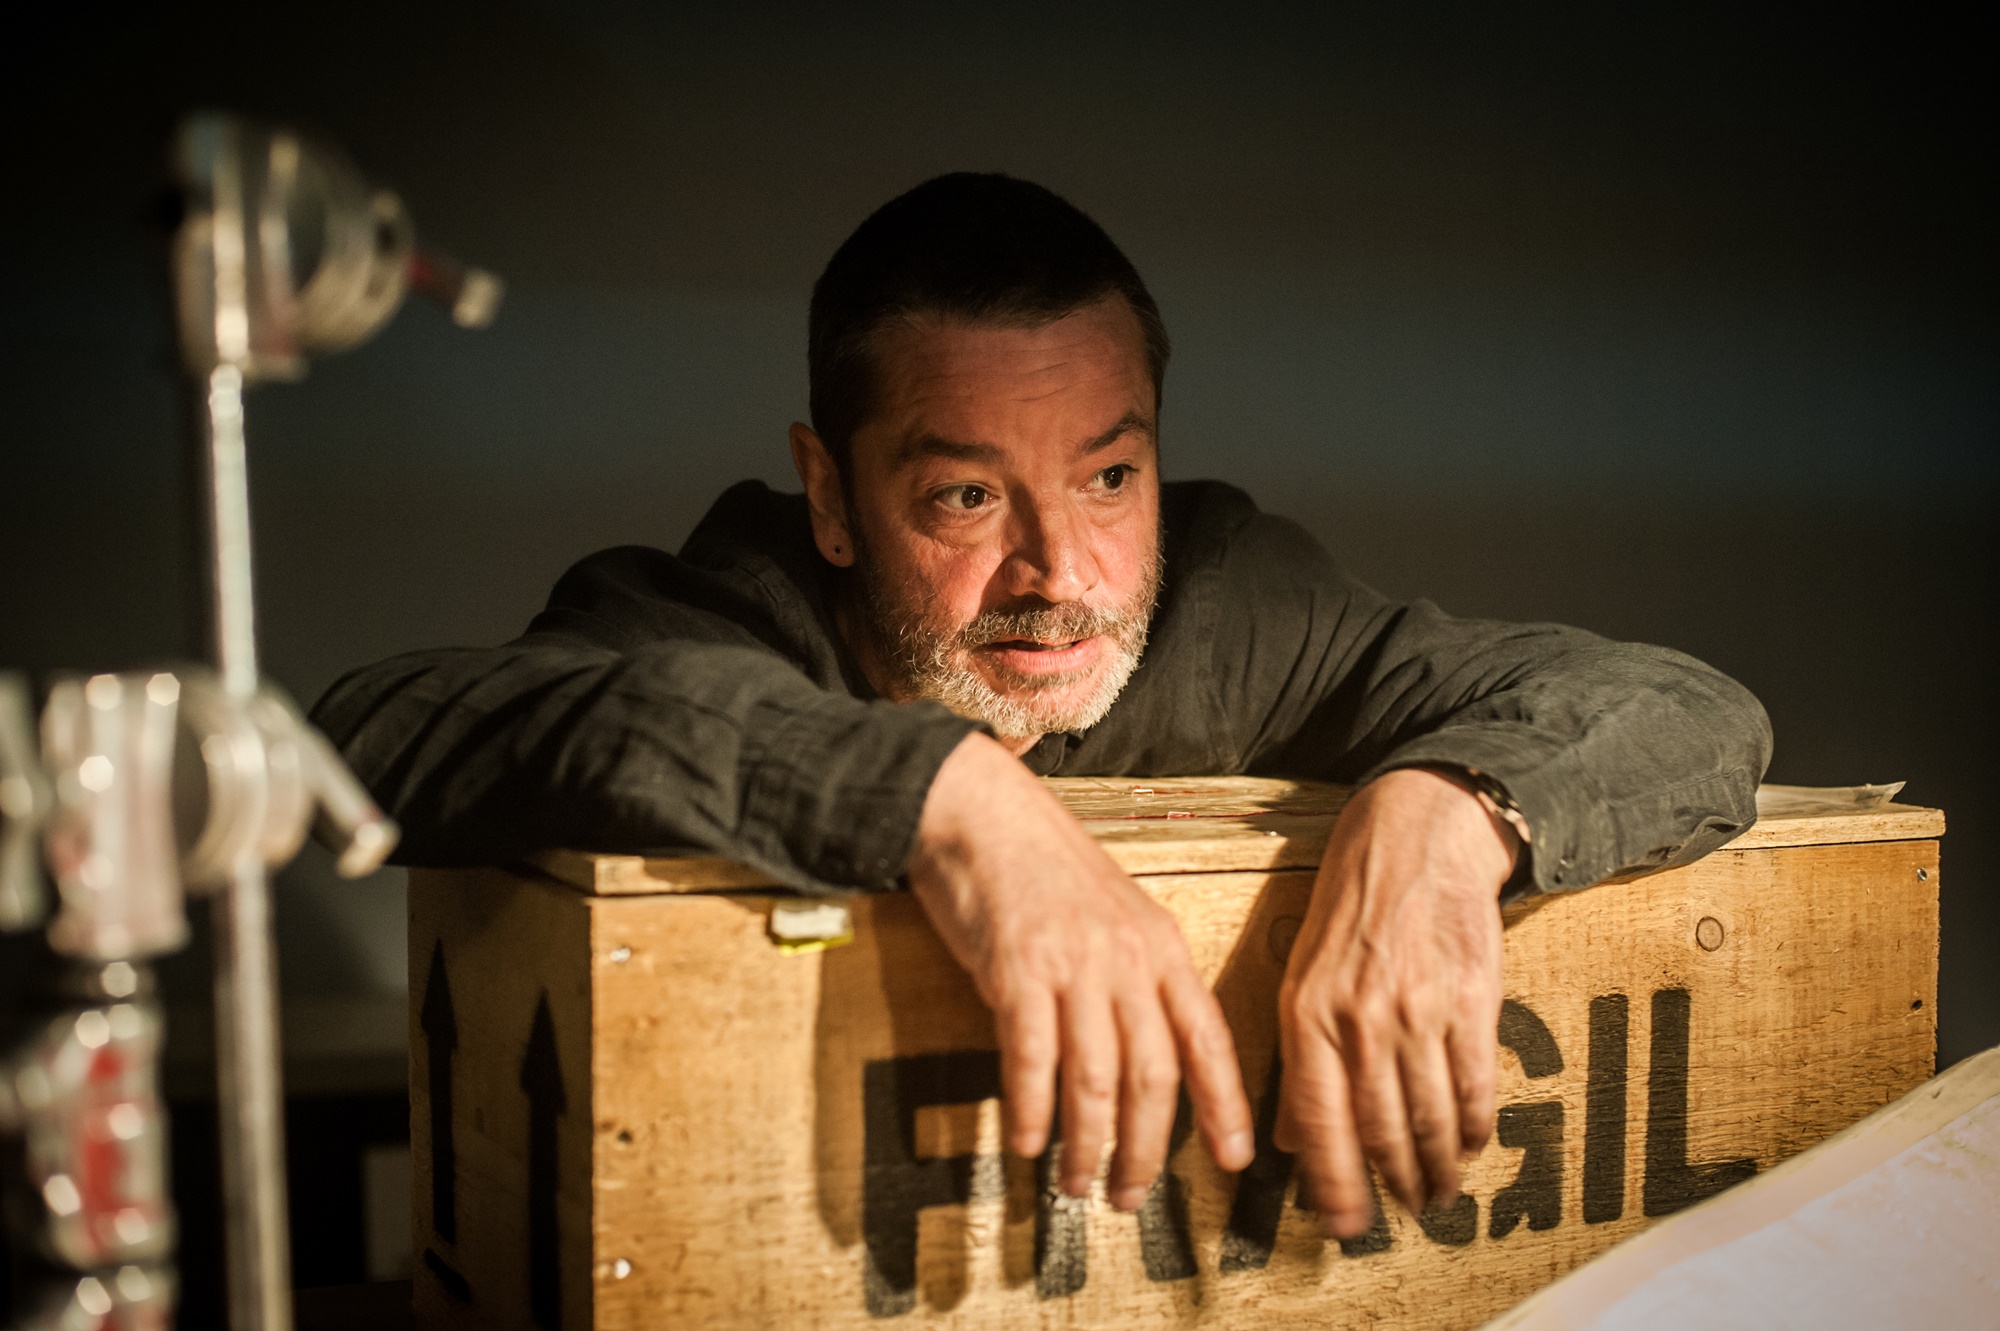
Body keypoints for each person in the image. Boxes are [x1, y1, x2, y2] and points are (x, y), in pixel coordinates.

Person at [312, 173, 1770, 1239]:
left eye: (1109, 476)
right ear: (831, 497)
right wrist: (942, 797)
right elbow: (377, 735)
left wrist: (1446, 818)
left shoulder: (1238, 613)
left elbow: (1679, 708)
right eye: (965, 496)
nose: (1060, 572)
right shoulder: (717, 619)